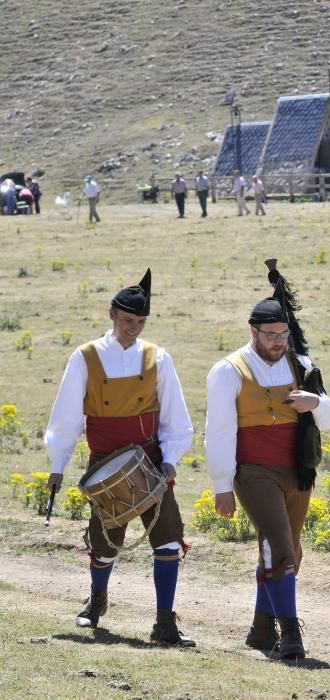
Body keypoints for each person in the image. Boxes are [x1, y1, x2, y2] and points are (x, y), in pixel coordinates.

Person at [45, 269, 196, 646]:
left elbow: (176, 416)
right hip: (103, 462)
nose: (135, 328)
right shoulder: (84, 357)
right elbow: (65, 416)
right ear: (111, 313)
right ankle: (97, 600)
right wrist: (57, 465)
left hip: (150, 462)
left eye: (141, 322)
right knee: (104, 542)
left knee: (167, 540)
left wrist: (172, 458)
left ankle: (164, 621)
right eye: (129, 321)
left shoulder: (158, 358)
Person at [205, 270, 330, 660]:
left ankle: (261, 631)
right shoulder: (228, 370)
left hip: (298, 473)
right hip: (253, 472)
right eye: (270, 335)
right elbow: (219, 431)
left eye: (283, 335)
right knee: (279, 545)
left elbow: (329, 418)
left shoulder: (302, 364)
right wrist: (221, 484)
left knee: (289, 549)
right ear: (253, 332)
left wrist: (315, 403)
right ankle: (291, 635)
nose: (278, 343)